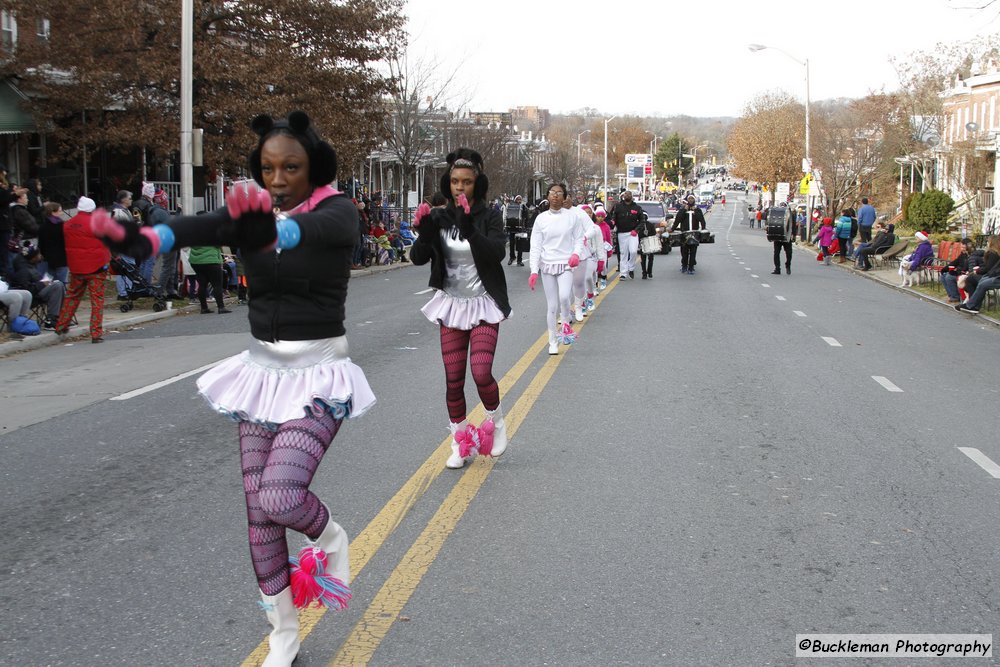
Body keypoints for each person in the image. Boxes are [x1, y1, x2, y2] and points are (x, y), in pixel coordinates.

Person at [91, 111, 372, 666]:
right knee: (259, 516)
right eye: (267, 168)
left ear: (312, 165)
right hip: (261, 378)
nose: (277, 178)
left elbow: (306, 231)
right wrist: (143, 237)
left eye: (290, 167)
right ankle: (283, 633)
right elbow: (194, 228)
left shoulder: (337, 210)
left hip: (318, 374)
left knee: (282, 496)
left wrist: (267, 226)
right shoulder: (254, 210)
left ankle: (331, 538)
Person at [409, 148, 511, 470]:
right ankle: (460, 442)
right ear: (448, 183)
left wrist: (470, 229)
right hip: (452, 305)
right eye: (454, 181)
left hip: (483, 303)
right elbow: (418, 258)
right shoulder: (440, 217)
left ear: (476, 183)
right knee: (453, 380)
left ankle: (495, 422)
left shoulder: (490, 216)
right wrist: (424, 233)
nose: (459, 187)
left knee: (480, 372)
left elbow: (497, 254)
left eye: (466, 181)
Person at [529, 182, 585, 354]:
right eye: (552, 192)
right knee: (552, 306)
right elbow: (536, 245)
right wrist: (533, 270)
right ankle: (552, 341)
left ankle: (566, 325)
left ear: (565, 197)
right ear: (547, 196)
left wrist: (576, 254)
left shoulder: (572, 217)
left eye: (559, 193)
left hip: (566, 263)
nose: (555, 196)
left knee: (563, 297)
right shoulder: (541, 219)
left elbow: (579, 238)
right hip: (547, 265)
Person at [52, 197, 111, 343]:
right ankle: (96, 333)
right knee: (96, 300)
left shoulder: (67, 225)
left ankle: (61, 325)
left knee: (72, 296)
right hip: (96, 267)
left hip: (76, 267)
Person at [10, 246, 65, 329]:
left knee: (58, 284)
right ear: (33, 257)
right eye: (38, 254)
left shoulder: (31, 265)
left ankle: (62, 317)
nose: (40, 256)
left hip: (39, 291)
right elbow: (26, 291)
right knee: (57, 286)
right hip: (33, 297)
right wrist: (42, 284)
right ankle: (51, 320)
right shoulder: (23, 270)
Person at [189, 242, 232, 314]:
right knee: (217, 284)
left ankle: (204, 308)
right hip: (211, 260)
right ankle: (221, 307)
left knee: (202, 285)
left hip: (196, 261)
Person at [608, 190, 643, 280]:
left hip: (633, 233)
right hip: (622, 233)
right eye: (625, 194)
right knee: (623, 253)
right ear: (623, 196)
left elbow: (642, 221)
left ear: (631, 196)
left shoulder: (637, 207)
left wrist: (636, 230)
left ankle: (631, 268)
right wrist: (613, 221)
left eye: (629, 194)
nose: (627, 195)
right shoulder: (618, 206)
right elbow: (613, 217)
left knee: (633, 251)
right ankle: (623, 273)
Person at [670, 195, 706, 274]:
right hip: (684, 233)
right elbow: (678, 220)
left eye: (692, 198)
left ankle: (691, 267)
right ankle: (684, 265)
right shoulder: (683, 209)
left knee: (693, 251)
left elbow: (702, 220)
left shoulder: (698, 210)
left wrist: (703, 229)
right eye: (689, 198)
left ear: (694, 200)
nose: (690, 200)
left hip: (694, 233)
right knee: (684, 250)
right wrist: (672, 229)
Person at [38, 202, 68, 284]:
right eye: (60, 211)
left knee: (50, 283)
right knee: (62, 282)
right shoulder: (62, 226)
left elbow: (41, 244)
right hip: (62, 259)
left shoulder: (43, 227)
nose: (62, 213)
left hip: (49, 259)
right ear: (53, 212)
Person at [940, 238, 974, 302]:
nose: (962, 249)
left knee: (949, 277)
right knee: (943, 276)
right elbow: (955, 262)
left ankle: (955, 296)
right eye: (961, 247)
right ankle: (951, 295)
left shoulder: (971, 255)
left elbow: (966, 267)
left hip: (966, 273)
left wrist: (956, 271)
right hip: (959, 271)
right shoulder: (963, 254)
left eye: (964, 247)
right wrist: (945, 269)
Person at [637, 207, 664, 279]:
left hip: (650, 243)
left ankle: (649, 271)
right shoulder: (639, 225)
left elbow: (654, 233)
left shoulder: (650, 225)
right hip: (642, 243)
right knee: (644, 259)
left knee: (650, 258)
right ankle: (644, 273)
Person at [771, 208, 796, 275]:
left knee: (789, 253)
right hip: (778, 236)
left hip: (787, 236)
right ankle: (777, 269)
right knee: (776, 253)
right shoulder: (776, 215)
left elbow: (793, 225)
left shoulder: (791, 215)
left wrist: (794, 235)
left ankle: (788, 265)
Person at [505, 194, 527, 266]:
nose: (519, 201)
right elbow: (507, 215)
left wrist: (525, 225)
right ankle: (512, 257)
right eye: (518, 199)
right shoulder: (511, 206)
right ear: (515, 200)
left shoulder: (523, 207)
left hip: (520, 228)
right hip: (512, 227)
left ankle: (519, 260)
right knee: (511, 244)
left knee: (520, 244)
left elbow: (526, 216)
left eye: (520, 199)